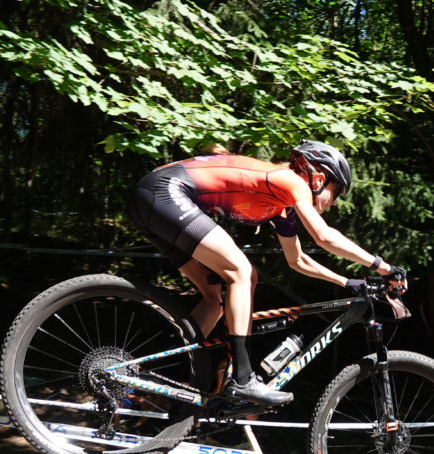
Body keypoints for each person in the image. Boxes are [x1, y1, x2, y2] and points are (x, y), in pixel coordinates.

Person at [127, 140, 404, 406]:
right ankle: (244, 379)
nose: (334, 203)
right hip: (165, 192)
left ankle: (149, 367)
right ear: (319, 179)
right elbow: (323, 236)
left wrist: (346, 281)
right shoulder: (291, 180)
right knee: (241, 271)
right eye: (337, 192)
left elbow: (297, 260)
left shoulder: (281, 207)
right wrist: (383, 266)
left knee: (217, 298)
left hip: (152, 198)